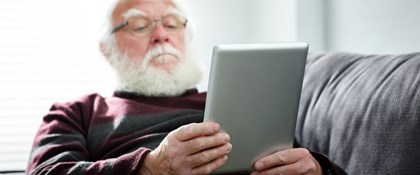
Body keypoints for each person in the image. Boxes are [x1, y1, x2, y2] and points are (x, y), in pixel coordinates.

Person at [26, 0, 341, 174]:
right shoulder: (77, 113)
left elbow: (294, 158)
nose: (161, 34)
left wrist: (317, 169)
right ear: (107, 49)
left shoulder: (242, 100)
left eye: (173, 22)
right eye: (139, 24)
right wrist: (152, 167)